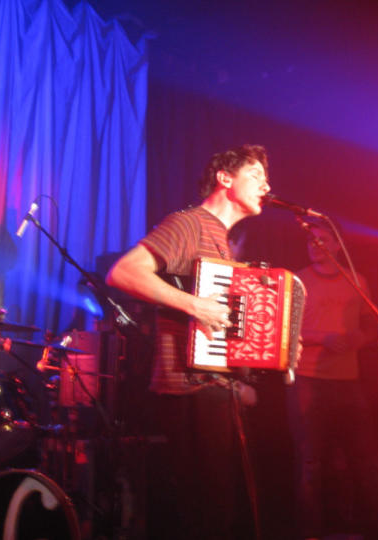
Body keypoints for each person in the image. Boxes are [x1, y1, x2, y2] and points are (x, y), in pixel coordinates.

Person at [106, 144, 271, 539]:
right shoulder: (189, 224)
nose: (267, 186)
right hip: (189, 387)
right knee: (205, 512)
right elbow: (124, 273)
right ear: (225, 179)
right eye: (257, 176)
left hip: (215, 385)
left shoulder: (221, 239)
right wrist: (194, 304)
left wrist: (271, 351)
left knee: (222, 508)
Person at [288, 221, 378, 540]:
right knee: (311, 462)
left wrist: (356, 341)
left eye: (322, 240)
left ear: (336, 246)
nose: (314, 245)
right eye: (310, 241)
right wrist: (323, 338)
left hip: (349, 381)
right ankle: (310, 533)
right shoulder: (299, 280)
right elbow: (283, 331)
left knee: (367, 459)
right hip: (309, 381)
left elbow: (372, 328)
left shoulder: (356, 281)